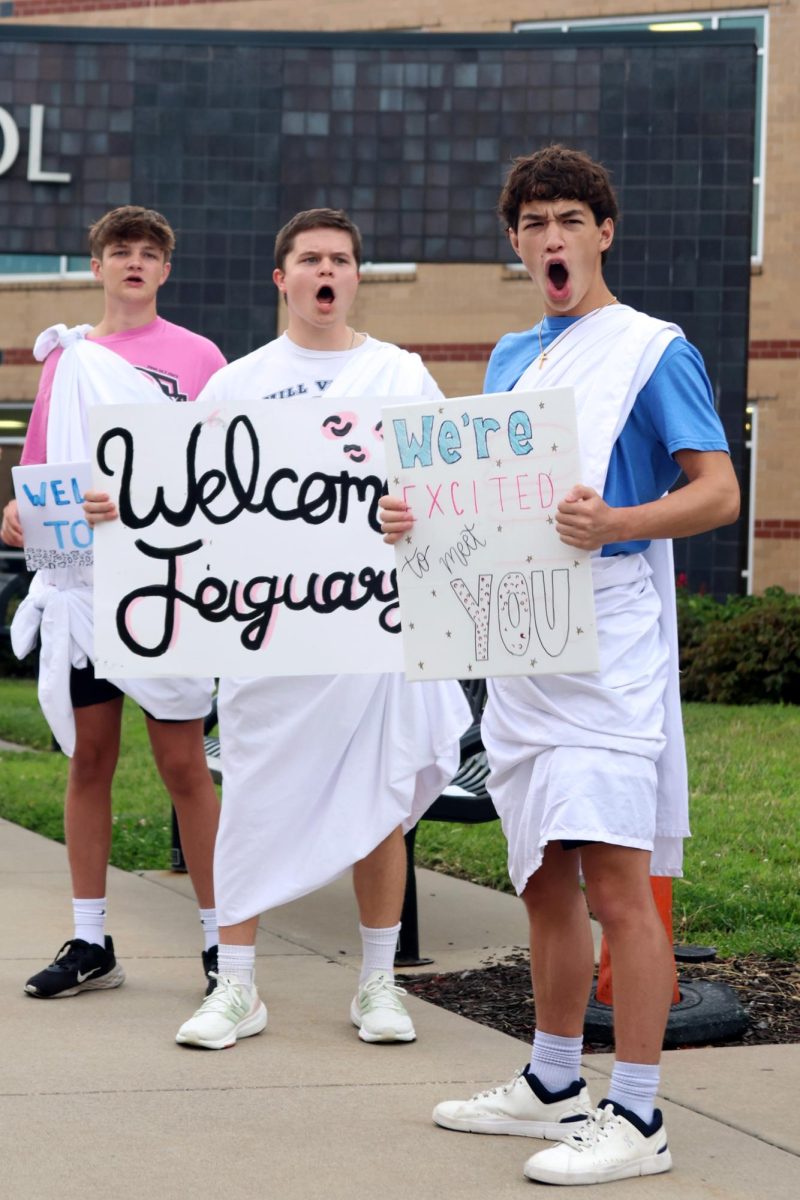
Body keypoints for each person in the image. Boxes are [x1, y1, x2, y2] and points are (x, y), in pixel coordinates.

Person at [380, 146, 740, 1185]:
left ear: (602, 232)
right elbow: (477, 506)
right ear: (514, 242)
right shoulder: (505, 361)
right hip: (519, 642)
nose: (551, 238)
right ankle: (548, 1081)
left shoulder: (650, 349)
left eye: (569, 219)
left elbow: (715, 491)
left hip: (611, 640)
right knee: (540, 875)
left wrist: (619, 519)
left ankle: (637, 1116)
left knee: (616, 882)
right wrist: (408, 513)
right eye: (533, 222)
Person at [127, 207, 471, 1050]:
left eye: (342, 259)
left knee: (381, 803)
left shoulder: (400, 375)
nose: (328, 270)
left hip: (369, 638)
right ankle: (237, 986)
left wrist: (410, 508)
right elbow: (182, 503)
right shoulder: (238, 384)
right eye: (311, 258)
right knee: (251, 799)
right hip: (269, 642)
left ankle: (379, 983)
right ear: (282, 278)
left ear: (357, 278)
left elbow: (452, 491)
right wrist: (118, 507)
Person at [2, 206, 226, 1000]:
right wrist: (18, 514)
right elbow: (39, 472)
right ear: (96, 265)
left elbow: (221, 476)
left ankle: (218, 945)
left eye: (149, 253)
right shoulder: (69, 360)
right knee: (89, 759)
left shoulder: (199, 358)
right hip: (85, 583)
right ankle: (89, 939)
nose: (134, 262)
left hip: (167, 583)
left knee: (182, 765)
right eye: (120, 251)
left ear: (166, 270)